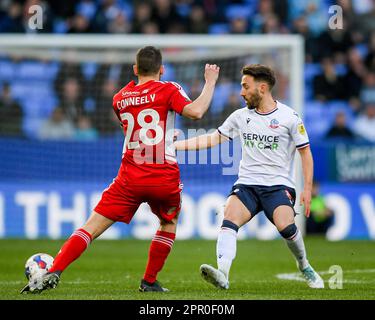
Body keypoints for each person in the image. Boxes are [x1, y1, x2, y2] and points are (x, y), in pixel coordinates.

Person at [21, 46, 220, 294]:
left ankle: (54, 271)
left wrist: (164, 135)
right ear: (162, 69)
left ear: (135, 69)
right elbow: (197, 112)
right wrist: (210, 83)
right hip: (162, 175)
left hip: (130, 176)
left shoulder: (120, 98)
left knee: (90, 228)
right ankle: (148, 282)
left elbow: (134, 131)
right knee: (168, 222)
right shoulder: (169, 88)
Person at [175, 64, 324, 289]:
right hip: (247, 184)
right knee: (230, 217)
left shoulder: (289, 118)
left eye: (246, 86)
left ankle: (304, 265)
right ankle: (222, 274)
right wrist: (176, 145)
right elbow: (212, 139)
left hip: (278, 185)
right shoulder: (240, 117)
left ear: (262, 88)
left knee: (286, 226)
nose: (242, 92)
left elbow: (306, 153)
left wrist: (307, 189)